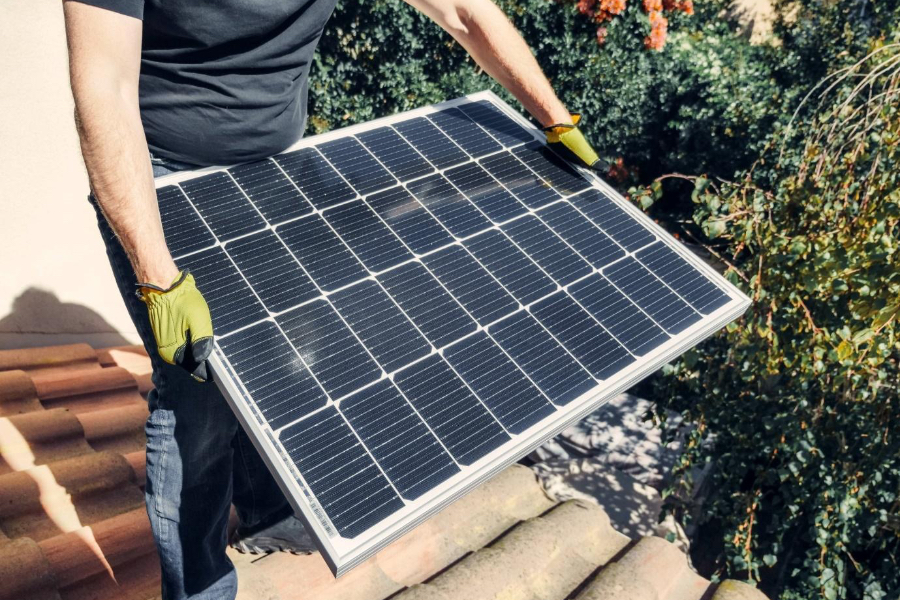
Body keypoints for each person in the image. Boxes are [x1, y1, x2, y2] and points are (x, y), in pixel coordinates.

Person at [62, 0, 603, 598]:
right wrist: (157, 276)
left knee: (271, 360)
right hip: (163, 172)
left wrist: (554, 117)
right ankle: (200, 588)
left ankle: (265, 513)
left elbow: (463, 12)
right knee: (197, 403)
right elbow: (102, 89)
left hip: (278, 167)